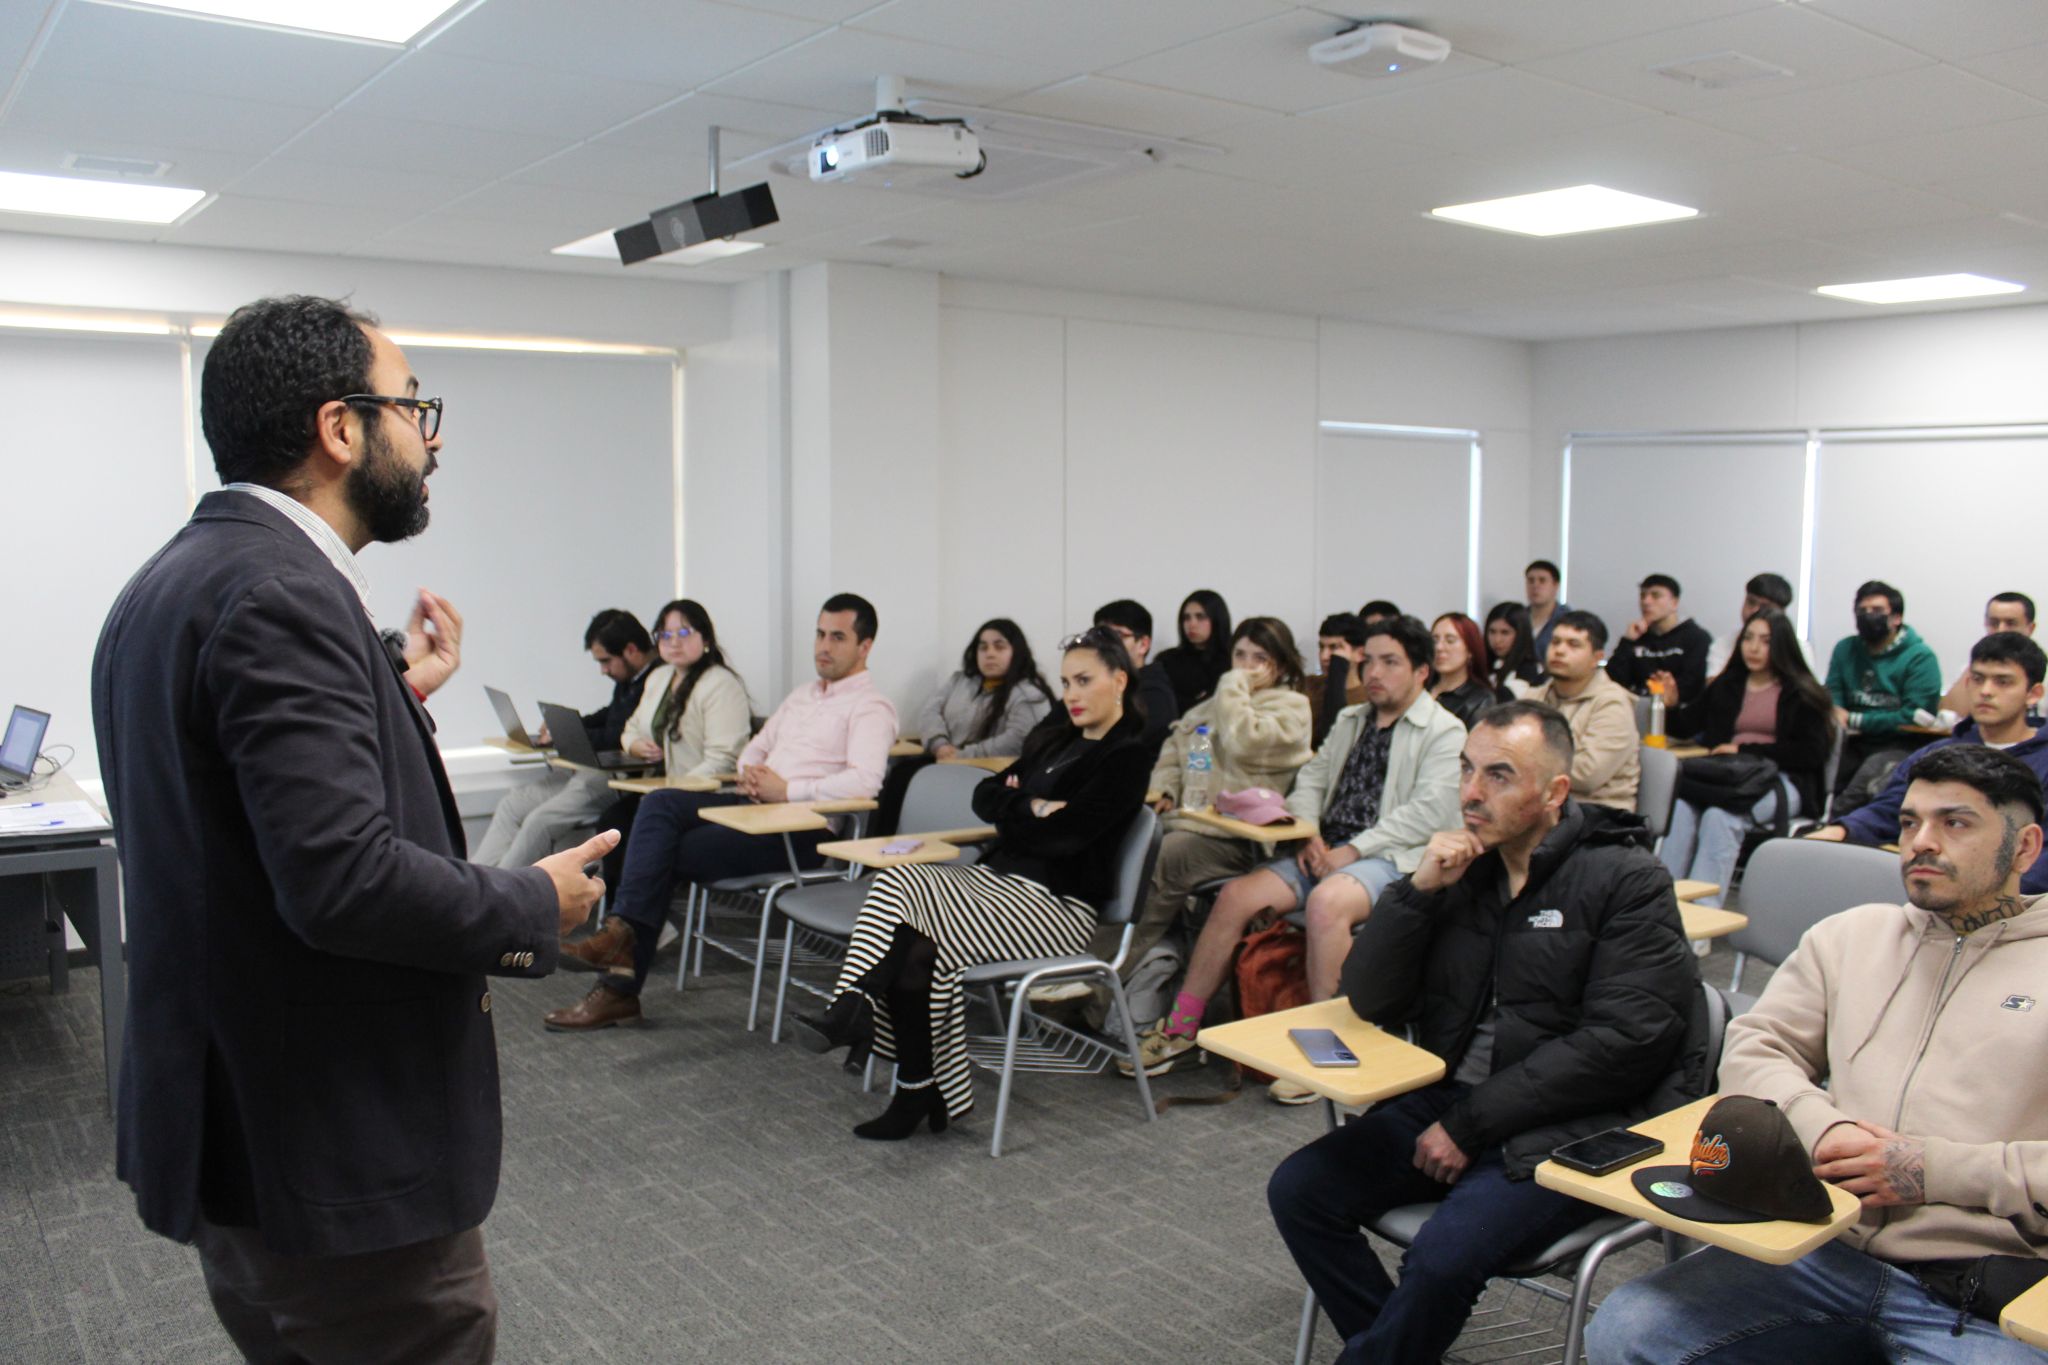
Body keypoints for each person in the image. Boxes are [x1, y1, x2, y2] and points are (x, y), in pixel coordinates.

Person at [90, 295, 615, 1359]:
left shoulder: (179, 578)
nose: (430, 441)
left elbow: (237, 796)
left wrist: (393, 695)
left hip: (237, 1116)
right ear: (341, 428)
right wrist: (534, 901)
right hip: (329, 1145)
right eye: (413, 407)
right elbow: (340, 879)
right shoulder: (284, 598)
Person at [1268, 702, 1702, 1363]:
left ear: (1555, 791)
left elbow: (1625, 1042)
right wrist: (1415, 892)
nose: (1471, 792)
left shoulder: (1626, 879)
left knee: (1440, 1259)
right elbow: (1372, 996)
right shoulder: (1467, 870)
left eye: (1498, 774)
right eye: (1466, 769)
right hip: (1459, 1102)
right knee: (1301, 1189)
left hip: (1574, 1129)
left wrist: (1471, 1124)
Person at [1587, 744, 2048, 1365]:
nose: (1921, 842)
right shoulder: (1852, 936)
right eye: (1910, 822)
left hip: (1981, 1287)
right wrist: (1820, 1126)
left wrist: (1930, 1169)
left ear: (2024, 848)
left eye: (1954, 822)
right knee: (1630, 1327)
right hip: (1820, 1244)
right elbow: (1755, 1046)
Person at [790, 626, 1152, 1138]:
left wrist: (1019, 808)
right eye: (1066, 682)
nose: (1070, 694)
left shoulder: (1126, 756)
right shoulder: (1056, 739)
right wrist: (1032, 807)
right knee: (909, 920)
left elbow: (1067, 839)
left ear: (1119, 680)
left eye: (1084, 680)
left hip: (1055, 909)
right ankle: (912, 1083)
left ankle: (859, 1012)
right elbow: (985, 796)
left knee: (912, 921)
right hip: (994, 886)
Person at [1125, 616, 1464, 1101]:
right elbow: (1311, 781)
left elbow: (1427, 812)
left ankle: (1328, 1053)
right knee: (1237, 894)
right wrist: (1307, 834)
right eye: (1369, 661)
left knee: (1327, 904)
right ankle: (1182, 1026)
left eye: (1391, 662)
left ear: (1422, 672)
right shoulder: (1352, 720)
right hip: (1325, 850)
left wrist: (1353, 849)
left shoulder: (1444, 731)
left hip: (1390, 856)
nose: (1374, 673)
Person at [544, 594, 897, 1030]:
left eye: (838, 637)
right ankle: (619, 947)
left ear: (865, 646)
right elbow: (754, 748)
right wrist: (752, 774)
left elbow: (866, 783)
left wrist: (788, 789)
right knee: (658, 804)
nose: (823, 646)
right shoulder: (803, 695)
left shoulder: (871, 707)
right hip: (753, 805)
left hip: (801, 830)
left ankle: (618, 973)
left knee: (661, 849)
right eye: (820, 634)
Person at [1080, 618, 1313, 1014]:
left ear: (1282, 664)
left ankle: (1095, 984)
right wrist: (1168, 788)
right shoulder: (1213, 703)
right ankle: (1074, 962)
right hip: (1190, 820)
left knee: (1164, 859)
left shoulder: (1292, 707)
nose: (1246, 666)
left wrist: (1232, 686)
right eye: (1240, 655)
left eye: (1260, 658)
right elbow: (1174, 748)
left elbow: (1244, 741)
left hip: (1242, 840)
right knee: (1112, 845)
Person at [1807, 632, 2048, 895]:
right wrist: (1842, 830)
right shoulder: (1938, 754)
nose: (1986, 691)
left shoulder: (2042, 760)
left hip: (2011, 901)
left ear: (2033, 694)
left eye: (2003, 682)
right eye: (1978, 679)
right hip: (1928, 890)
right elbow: (1891, 808)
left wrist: (1996, 894)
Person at [1654, 610, 1835, 906]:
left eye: (1765, 641)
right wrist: (1671, 706)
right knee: (1682, 808)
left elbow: (1811, 754)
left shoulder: (1803, 692)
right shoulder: (1727, 684)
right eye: (1748, 638)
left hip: (1783, 781)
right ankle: (1659, 909)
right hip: (1727, 778)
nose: (1753, 647)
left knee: (1719, 817)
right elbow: (1687, 727)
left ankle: (1701, 922)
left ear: (1782, 646)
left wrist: (1744, 750)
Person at [472, 608, 657, 868]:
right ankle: (475, 882)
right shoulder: (629, 677)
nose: (603, 670)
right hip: (589, 771)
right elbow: (612, 715)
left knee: (540, 821)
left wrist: (568, 735)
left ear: (631, 650)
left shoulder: (659, 681)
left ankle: (498, 896)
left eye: (605, 661)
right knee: (511, 806)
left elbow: (619, 735)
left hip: (617, 779)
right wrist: (570, 727)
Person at [874, 618, 1052, 834]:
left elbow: (1016, 740)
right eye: (983, 647)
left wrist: (962, 755)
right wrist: (940, 745)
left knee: (917, 777)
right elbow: (930, 712)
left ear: (1017, 651)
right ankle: (881, 847)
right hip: (945, 757)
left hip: (985, 768)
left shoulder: (1028, 693)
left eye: (999, 646)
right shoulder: (960, 681)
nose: (990, 653)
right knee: (900, 773)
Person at [1826, 579, 1943, 812]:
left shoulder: (1920, 657)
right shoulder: (1845, 649)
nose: (1868, 616)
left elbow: (1914, 715)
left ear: (1896, 618)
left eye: (1877, 611)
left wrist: (1855, 719)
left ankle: (1834, 829)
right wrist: (1836, 712)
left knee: (1861, 788)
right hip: (1850, 741)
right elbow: (1833, 695)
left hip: (1899, 744)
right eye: (1862, 610)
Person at [1529, 610, 1640, 810]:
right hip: (1547, 810)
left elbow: (1586, 775)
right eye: (1555, 642)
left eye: (1573, 644)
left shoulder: (1611, 704)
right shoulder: (1534, 698)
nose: (1560, 650)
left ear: (1596, 658)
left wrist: (1525, 765)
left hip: (1599, 817)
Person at [1604, 573, 1713, 705]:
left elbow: (1693, 687)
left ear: (1674, 603)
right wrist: (1627, 641)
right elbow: (1611, 681)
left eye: (1655, 596)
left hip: (1679, 717)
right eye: (1643, 596)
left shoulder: (1697, 637)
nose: (1646, 602)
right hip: (1634, 712)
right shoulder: (1636, 638)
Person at [1094, 599, 1178, 755]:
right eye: (1100, 635)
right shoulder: (1096, 684)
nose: (1104, 644)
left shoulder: (1156, 695)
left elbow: (1118, 748)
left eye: (1117, 635)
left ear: (1143, 645)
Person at [1940, 591, 2037, 714]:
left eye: (2010, 623)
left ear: (2030, 628)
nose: (2001, 630)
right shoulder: (1976, 667)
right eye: (1994, 623)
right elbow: (1949, 715)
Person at [1704, 570, 1800, 675]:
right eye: (1751, 602)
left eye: (1765, 607)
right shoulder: (1722, 644)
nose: (1754, 611)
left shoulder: (1800, 649)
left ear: (1781, 613)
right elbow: (1712, 688)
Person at [1154, 589, 1233, 713]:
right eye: (1186, 618)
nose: (1192, 624)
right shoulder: (1166, 660)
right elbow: (1160, 704)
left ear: (1217, 619)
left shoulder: (1232, 662)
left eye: (1200, 617)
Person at [1428, 611, 1505, 729]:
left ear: (1470, 650)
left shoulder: (1481, 699)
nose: (1439, 647)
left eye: (1450, 640)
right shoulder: (1420, 688)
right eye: (1435, 640)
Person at [1308, 611, 1370, 748]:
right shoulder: (1308, 685)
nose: (1324, 656)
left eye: (1334, 647)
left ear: (1360, 654)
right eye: (1321, 647)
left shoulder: (1369, 698)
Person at [1483, 602, 1541, 696]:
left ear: (1521, 634)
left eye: (1505, 633)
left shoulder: (1529, 671)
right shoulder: (1483, 665)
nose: (1497, 640)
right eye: (1492, 632)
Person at [1524, 559, 1571, 663]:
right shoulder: (1518, 617)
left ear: (1555, 585)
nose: (1535, 586)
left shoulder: (1568, 619)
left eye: (1542, 580)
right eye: (1531, 581)